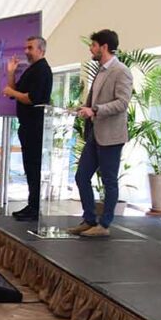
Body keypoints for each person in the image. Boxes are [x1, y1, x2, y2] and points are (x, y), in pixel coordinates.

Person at [69, 29, 133, 238]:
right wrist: (84, 108)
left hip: (111, 136)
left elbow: (122, 103)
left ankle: (104, 224)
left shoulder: (121, 71)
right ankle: (89, 219)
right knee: (81, 176)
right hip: (95, 133)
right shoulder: (100, 70)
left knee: (109, 181)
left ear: (104, 47)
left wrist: (95, 110)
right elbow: (95, 100)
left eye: (94, 45)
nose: (91, 49)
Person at [2, 35, 53, 220]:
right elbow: (14, 92)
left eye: (30, 48)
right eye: (26, 48)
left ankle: (35, 207)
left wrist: (12, 92)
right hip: (27, 126)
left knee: (33, 168)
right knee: (29, 168)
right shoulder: (32, 70)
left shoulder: (42, 70)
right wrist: (11, 73)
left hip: (35, 127)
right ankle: (31, 205)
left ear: (41, 50)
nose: (26, 51)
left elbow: (32, 98)